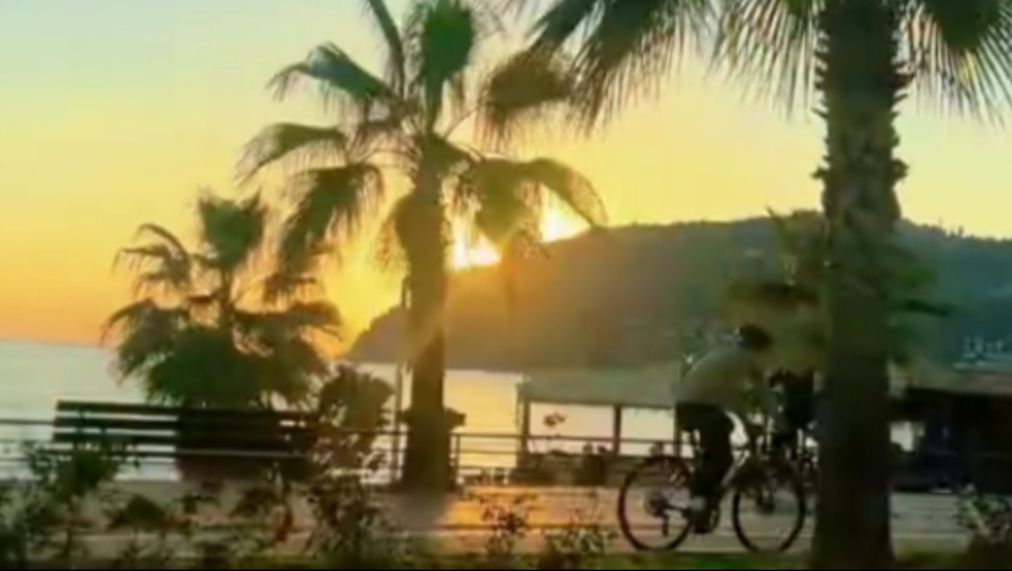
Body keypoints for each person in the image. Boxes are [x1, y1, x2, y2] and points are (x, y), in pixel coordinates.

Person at [674, 324, 777, 532]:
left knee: (722, 433)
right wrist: (748, 423)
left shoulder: (737, 357)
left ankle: (703, 503)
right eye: (764, 353)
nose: (765, 359)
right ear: (755, 349)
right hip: (696, 407)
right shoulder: (738, 359)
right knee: (723, 459)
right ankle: (699, 505)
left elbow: (763, 392)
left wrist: (778, 419)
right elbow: (732, 396)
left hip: (695, 405)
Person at [769, 369, 816, 460]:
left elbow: (773, 382)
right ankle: (797, 453)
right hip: (803, 409)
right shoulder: (801, 372)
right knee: (797, 425)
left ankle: (793, 452)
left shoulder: (788, 373)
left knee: (792, 425)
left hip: (796, 411)